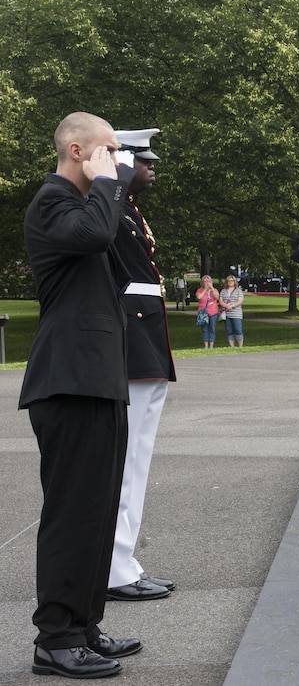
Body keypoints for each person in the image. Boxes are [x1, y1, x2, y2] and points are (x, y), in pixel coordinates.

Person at [19, 112, 142, 679]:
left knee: (97, 509)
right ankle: (56, 637)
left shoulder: (89, 203)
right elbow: (94, 234)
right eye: (110, 151)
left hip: (95, 377)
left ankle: (84, 626)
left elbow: (110, 245)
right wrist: (112, 184)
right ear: (76, 149)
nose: (120, 161)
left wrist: (116, 188)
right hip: (67, 380)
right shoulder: (52, 201)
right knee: (72, 511)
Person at [102, 128, 176, 605]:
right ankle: (114, 568)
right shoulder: (111, 210)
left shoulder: (130, 212)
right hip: (132, 344)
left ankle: (122, 561)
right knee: (127, 463)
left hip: (146, 343)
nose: (152, 169)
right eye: (143, 161)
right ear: (125, 164)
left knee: (136, 462)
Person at [219, 273, 245, 347]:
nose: (230, 282)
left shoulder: (238, 291)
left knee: (238, 329)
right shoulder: (223, 291)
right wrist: (226, 306)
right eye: (228, 281)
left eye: (232, 281)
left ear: (234, 282)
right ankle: (232, 346)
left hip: (236, 313)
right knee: (229, 330)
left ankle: (240, 346)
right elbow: (220, 301)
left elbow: (240, 301)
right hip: (226, 313)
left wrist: (232, 306)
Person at [195, 275, 220, 348]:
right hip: (203, 312)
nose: (207, 283)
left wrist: (211, 288)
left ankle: (211, 345)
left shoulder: (214, 290)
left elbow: (217, 297)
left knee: (212, 328)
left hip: (213, 311)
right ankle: (206, 345)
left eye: (208, 281)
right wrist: (205, 289)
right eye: (205, 281)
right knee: (205, 329)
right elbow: (199, 297)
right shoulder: (199, 290)